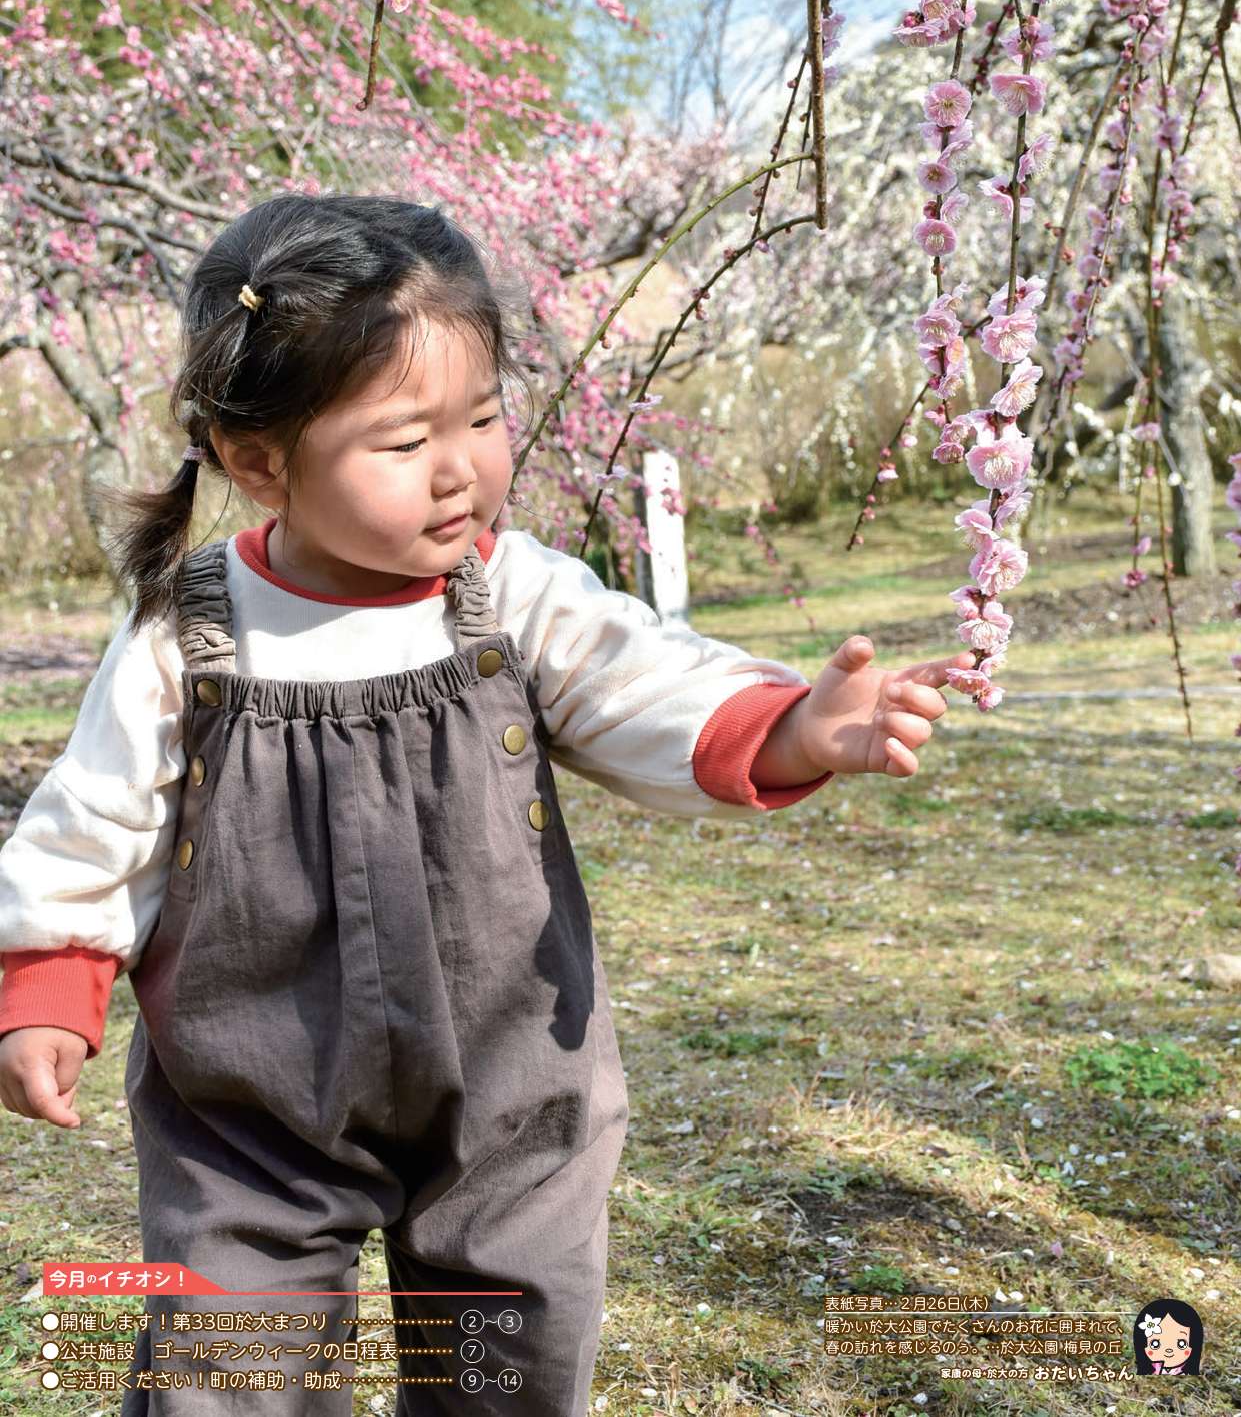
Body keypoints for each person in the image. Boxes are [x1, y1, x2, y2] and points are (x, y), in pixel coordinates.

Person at [0, 194, 972, 1415]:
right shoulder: (185, 634)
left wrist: (790, 726)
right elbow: (92, 822)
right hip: (249, 1095)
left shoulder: (507, 595)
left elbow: (645, 684)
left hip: (514, 1071)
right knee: (223, 1360)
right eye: (404, 442)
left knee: (509, 1349)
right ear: (258, 461)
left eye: (483, 415)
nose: (462, 468)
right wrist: (48, 986)